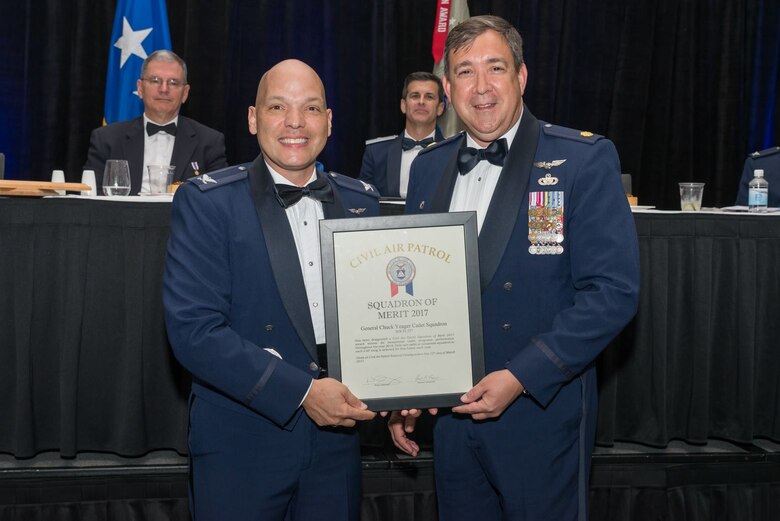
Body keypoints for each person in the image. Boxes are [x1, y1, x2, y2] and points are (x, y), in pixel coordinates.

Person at [390, 15, 640, 520]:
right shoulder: (429, 166)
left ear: (521, 77)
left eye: (495, 68)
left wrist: (522, 376)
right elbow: (418, 289)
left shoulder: (581, 160)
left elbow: (613, 292)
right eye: (464, 72)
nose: (481, 88)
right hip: (453, 418)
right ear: (446, 88)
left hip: (541, 411)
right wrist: (406, 391)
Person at [163, 59, 379, 520]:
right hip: (243, 440)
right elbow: (193, 332)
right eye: (278, 106)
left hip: (338, 445)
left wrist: (402, 392)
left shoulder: (362, 203)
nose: (295, 122)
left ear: (330, 120)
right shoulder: (208, 203)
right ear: (253, 118)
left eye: (311, 108)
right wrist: (302, 392)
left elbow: (380, 318)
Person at [85, 50, 227, 194]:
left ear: (185, 93)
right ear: (140, 88)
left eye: (173, 82)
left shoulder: (209, 142)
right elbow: (90, 198)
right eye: (155, 80)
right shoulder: (106, 139)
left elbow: (220, 198)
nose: (164, 89)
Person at [358, 72, 445, 198]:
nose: (421, 101)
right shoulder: (376, 154)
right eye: (415, 96)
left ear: (440, 108)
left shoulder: (454, 153)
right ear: (403, 105)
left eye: (429, 97)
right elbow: (363, 202)